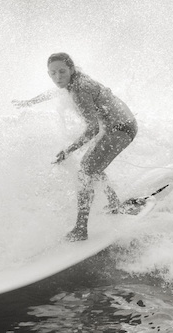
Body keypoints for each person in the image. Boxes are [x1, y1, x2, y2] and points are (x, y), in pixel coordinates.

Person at [13, 52, 138, 241]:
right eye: (52, 73)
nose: (58, 77)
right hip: (120, 125)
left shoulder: (80, 89)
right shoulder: (74, 80)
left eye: (62, 71)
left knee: (85, 172)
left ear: (71, 69)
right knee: (92, 166)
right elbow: (54, 91)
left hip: (120, 129)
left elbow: (93, 128)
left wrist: (68, 150)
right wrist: (31, 101)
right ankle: (114, 204)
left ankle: (81, 229)